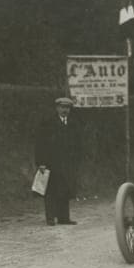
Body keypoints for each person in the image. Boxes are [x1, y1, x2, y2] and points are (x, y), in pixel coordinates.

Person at [34, 96, 81, 225]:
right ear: (57, 108)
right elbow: (40, 143)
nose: (65, 110)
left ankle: (63, 218)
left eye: (67, 108)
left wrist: (76, 160)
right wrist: (41, 162)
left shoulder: (73, 124)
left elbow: (77, 144)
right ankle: (50, 218)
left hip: (67, 163)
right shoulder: (48, 123)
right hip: (51, 163)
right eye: (62, 107)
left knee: (65, 189)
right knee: (51, 190)